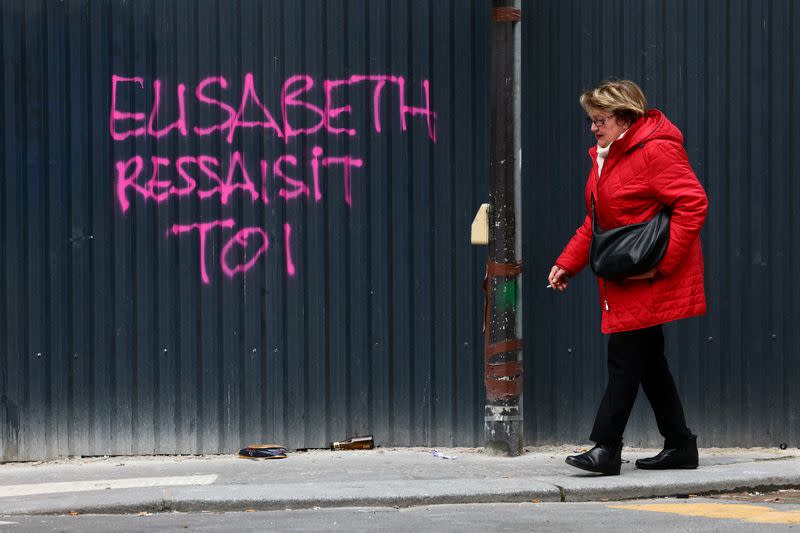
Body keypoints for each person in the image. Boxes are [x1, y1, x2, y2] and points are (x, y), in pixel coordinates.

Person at [548, 79, 708, 476]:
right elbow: (598, 220)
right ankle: (680, 444)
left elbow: (693, 203)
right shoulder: (608, 156)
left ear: (625, 118)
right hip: (627, 275)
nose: (593, 127)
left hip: (650, 275)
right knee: (649, 362)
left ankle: (606, 448)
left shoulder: (656, 150)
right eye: (591, 120)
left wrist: (664, 264)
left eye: (600, 119)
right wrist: (568, 261)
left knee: (624, 358)